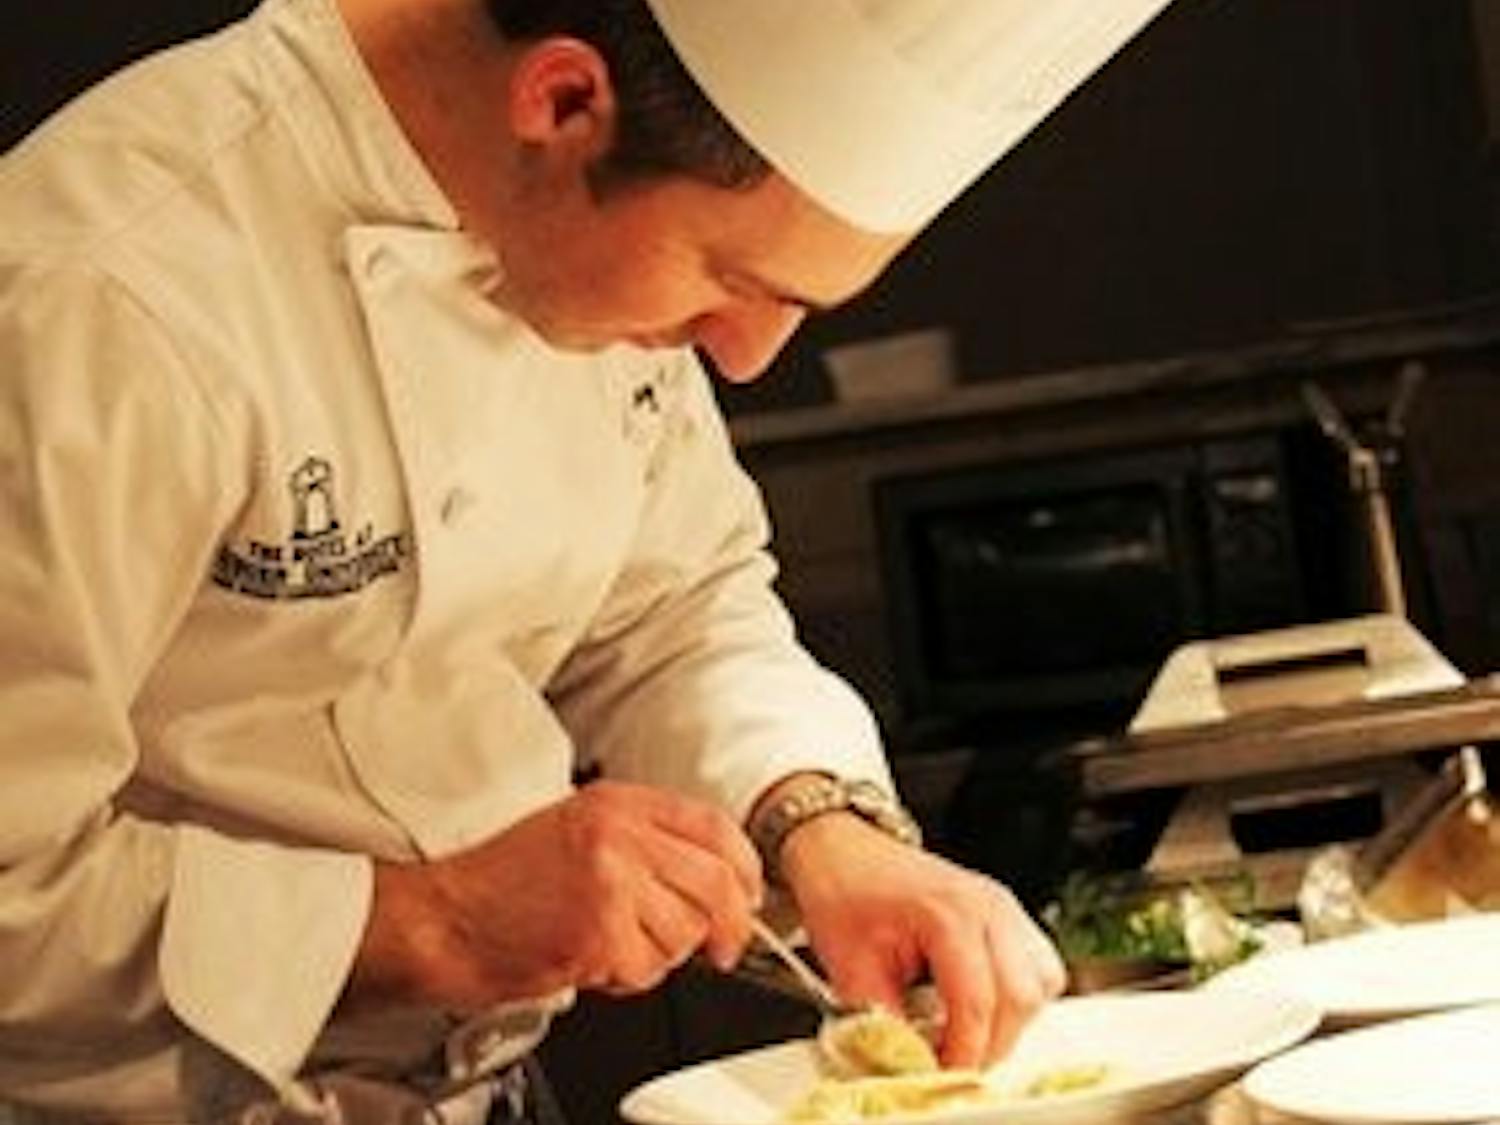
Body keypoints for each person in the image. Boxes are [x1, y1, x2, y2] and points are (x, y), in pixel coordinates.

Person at [0, 0, 1173, 1120]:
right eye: (731, 278)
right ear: (565, 101)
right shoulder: (95, 291)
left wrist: (825, 831)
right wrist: (432, 920)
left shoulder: (573, 229)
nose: (751, 359)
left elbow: (676, 613)